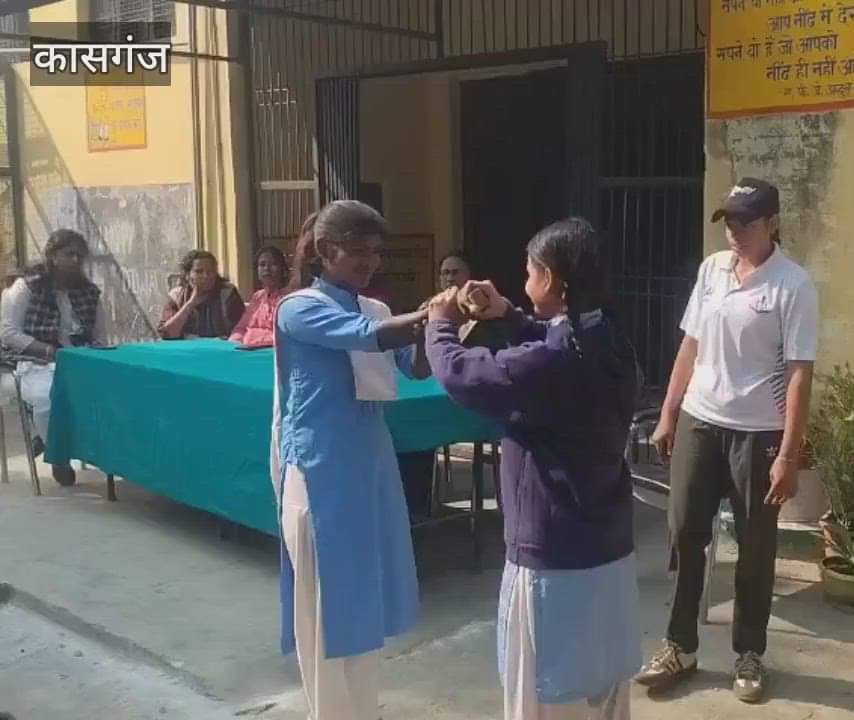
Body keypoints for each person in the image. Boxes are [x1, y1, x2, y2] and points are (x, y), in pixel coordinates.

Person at [425, 218, 641, 720]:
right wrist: (506, 312)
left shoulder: (553, 363)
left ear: (552, 281)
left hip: (554, 557)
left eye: (529, 274)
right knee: (604, 694)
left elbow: (466, 376)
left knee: (547, 699)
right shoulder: (607, 338)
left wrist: (440, 325)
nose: (524, 284)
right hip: (608, 547)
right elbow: (551, 339)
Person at [635, 178, 818, 703]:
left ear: (774, 224)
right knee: (685, 534)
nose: (736, 232)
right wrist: (669, 413)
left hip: (759, 431)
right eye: (730, 222)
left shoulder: (792, 285)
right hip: (701, 418)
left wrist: (788, 452)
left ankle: (749, 653)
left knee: (755, 545)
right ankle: (679, 645)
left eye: (747, 222)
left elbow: (801, 375)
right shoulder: (711, 269)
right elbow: (690, 343)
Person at [270, 200, 432, 720]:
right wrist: (429, 315)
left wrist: (440, 326)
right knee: (324, 607)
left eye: (376, 253)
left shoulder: (378, 310)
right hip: (320, 474)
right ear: (325, 250)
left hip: (369, 470)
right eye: (357, 250)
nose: (369, 262)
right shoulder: (300, 307)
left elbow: (418, 368)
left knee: (364, 599)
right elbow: (365, 338)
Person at [0, 229, 105, 487]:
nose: (76, 261)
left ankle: (68, 443)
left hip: (78, 360)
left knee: (107, 392)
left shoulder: (88, 292)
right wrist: (48, 351)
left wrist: (92, 356)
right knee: (51, 394)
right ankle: (58, 456)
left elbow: (100, 336)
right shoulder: (27, 286)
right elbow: (7, 331)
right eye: (70, 254)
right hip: (30, 361)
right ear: (53, 256)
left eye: (81, 256)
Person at [159, 250, 246, 339]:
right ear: (187, 275)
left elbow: (240, 330)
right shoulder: (176, 295)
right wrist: (191, 303)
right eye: (199, 271)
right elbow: (168, 334)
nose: (206, 276)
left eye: (211, 271)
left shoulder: (227, 294)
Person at [229, 246, 288, 348]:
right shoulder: (257, 297)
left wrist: (254, 340)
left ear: (282, 268)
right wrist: (233, 343)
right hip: (246, 351)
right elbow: (241, 328)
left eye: (273, 264)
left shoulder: (289, 299)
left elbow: (286, 335)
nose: (267, 269)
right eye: (262, 265)